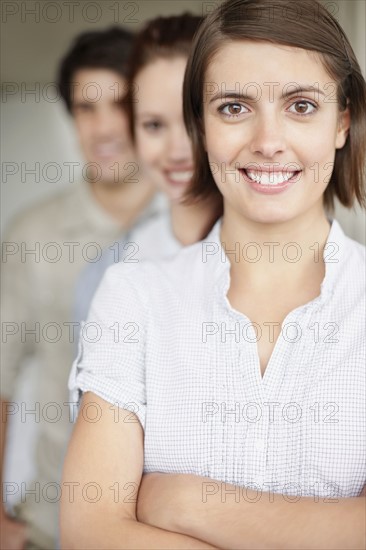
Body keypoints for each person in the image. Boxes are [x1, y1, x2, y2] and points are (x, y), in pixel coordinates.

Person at [61, 0, 366, 548]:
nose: (268, 140)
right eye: (234, 108)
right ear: (201, 125)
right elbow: (92, 532)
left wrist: (181, 502)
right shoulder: (133, 295)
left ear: (342, 121)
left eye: (301, 105)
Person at [0, 27, 159, 550]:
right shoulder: (32, 234)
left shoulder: (203, 227)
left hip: (170, 528)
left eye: (119, 104)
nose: (104, 126)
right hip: (53, 527)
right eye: (86, 108)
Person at [74, 14, 220, 325]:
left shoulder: (294, 250)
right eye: (153, 125)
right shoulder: (107, 275)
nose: (177, 151)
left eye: (195, 120)